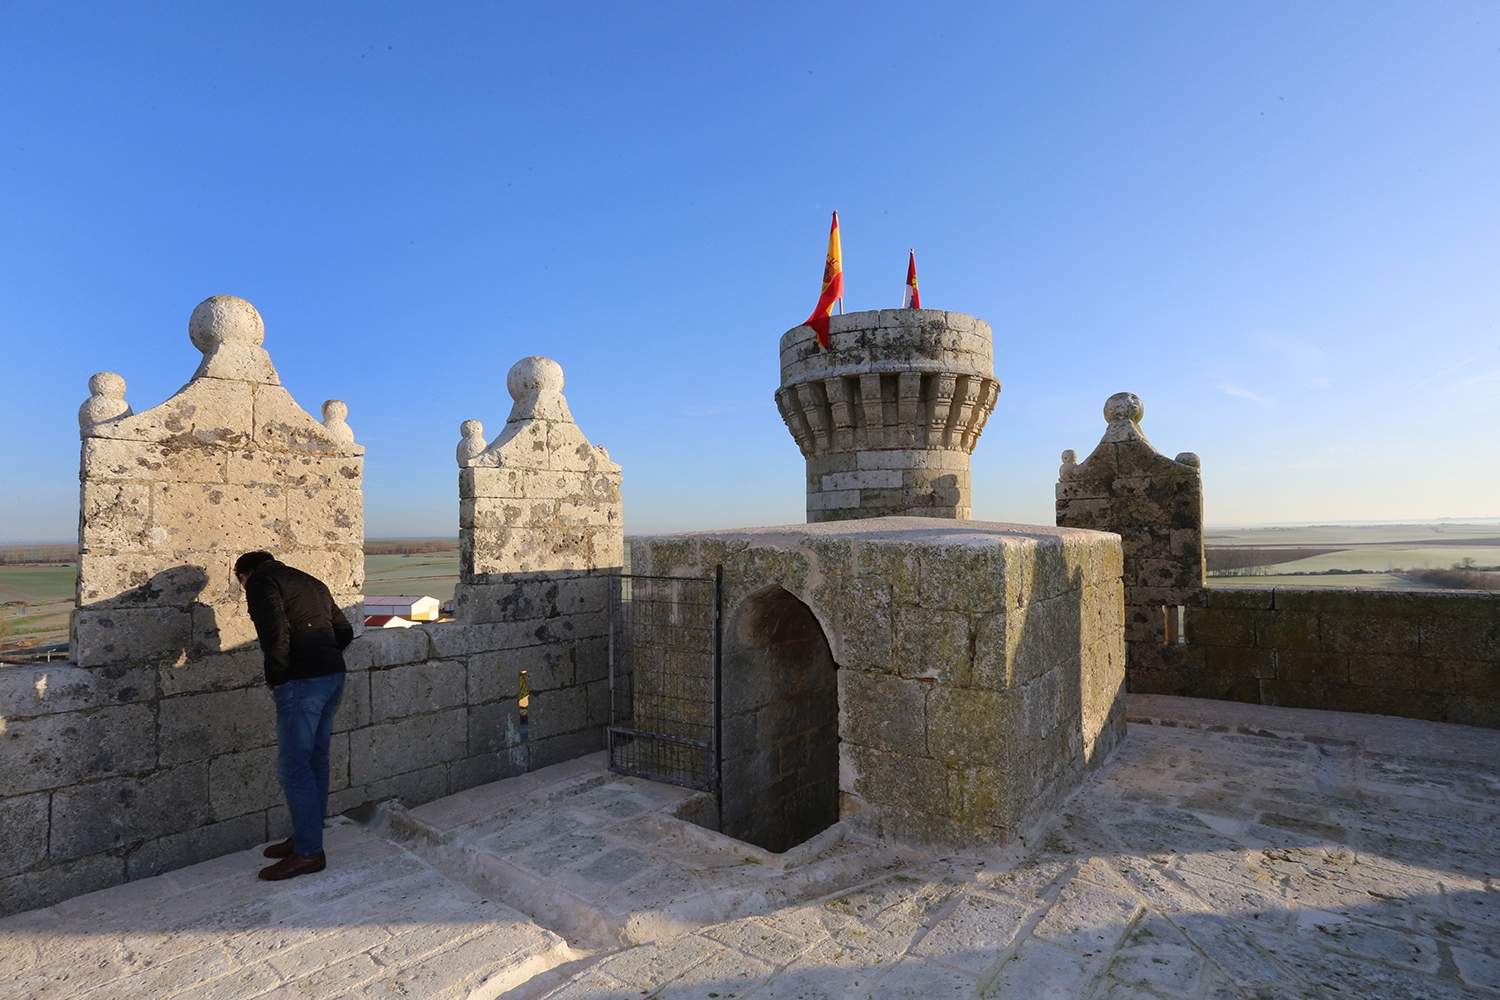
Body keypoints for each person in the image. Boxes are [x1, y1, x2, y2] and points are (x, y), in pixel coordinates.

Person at [234, 550, 354, 881]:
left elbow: (274, 634)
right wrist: (322, 654)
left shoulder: (261, 582)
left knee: (293, 767)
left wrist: (278, 675)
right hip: (333, 676)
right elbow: (344, 631)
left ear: (244, 574)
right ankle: (306, 835)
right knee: (316, 760)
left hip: (301, 683)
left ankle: (309, 853)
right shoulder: (310, 581)